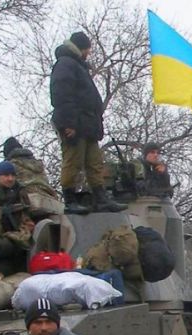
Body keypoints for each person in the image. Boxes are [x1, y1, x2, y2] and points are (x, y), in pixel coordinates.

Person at [49, 31, 126, 213]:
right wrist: (68, 123)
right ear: (81, 48)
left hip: (87, 125)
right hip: (75, 124)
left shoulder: (78, 66)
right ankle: (70, 200)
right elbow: (61, 94)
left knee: (95, 162)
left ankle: (100, 198)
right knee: (73, 161)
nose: (89, 54)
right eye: (88, 50)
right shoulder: (65, 64)